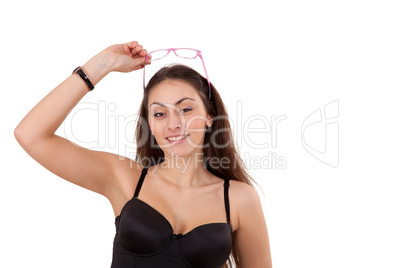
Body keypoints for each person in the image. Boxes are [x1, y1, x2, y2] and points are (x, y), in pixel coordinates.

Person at [14, 41, 272, 267]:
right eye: (160, 113)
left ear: (209, 116)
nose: (174, 124)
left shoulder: (239, 199)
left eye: (185, 109)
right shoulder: (125, 178)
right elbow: (31, 134)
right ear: (149, 123)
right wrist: (101, 64)